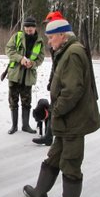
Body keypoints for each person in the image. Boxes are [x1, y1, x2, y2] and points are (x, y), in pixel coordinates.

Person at [23, 18, 100, 197]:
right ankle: (40, 192)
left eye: (51, 37)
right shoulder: (66, 50)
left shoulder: (73, 53)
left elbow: (72, 91)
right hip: (66, 118)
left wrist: (54, 111)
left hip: (74, 120)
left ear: (63, 36)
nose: (48, 42)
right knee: (55, 154)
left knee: (71, 160)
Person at [5, 16, 45, 134]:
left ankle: (26, 125)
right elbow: (9, 50)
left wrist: (32, 64)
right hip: (14, 75)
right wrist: (20, 59)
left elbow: (41, 58)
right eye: (26, 27)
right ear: (24, 27)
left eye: (31, 27)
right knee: (13, 101)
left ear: (35, 28)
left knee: (26, 102)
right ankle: (14, 126)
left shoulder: (39, 40)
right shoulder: (17, 36)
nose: (28, 30)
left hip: (28, 77)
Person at [32, 11, 65, 146]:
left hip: (64, 83)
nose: (47, 26)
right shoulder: (55, 41)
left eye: (49, 23)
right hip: (57, 82)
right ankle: (49, 135)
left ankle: (52, 136)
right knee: (53, 109)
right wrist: (52, 81)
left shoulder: (62, 41)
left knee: (58, 110)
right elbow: (55, 66)